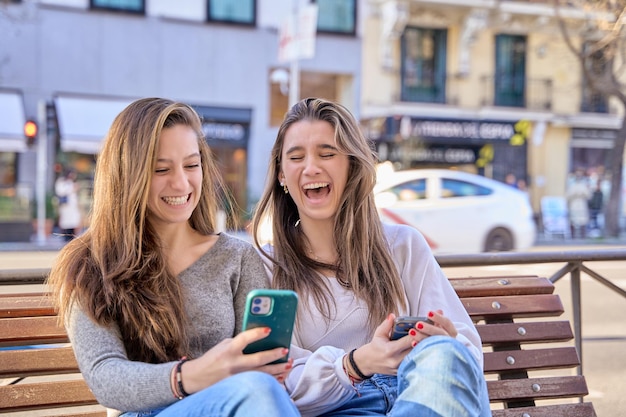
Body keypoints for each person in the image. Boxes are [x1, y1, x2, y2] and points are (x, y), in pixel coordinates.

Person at [46, 98, 299, 417]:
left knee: (262, 389)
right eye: (161, 169)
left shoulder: (237, 257)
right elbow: (104, 376)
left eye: (192, 165)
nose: (181, 183)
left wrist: (266, 366)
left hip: (233, 403)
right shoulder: (90, 261)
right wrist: (193, 375)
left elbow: (253, 367)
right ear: (127, 175)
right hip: (147, 413)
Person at [251, 97, 490, 416]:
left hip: (419, 393)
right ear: (281, 175)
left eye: (327, 153)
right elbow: (275, 382)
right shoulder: (267, 266)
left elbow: (467, 357)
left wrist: (445, 343)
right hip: (343, 409)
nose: (311, 168)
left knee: (446, 353)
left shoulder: (403, 245)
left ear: (351, 165)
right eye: (296, 157)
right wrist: (356, 364)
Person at [54, 168, 82, 241]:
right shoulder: (62, 182)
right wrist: (71, 189)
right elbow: (60, 192)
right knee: (65, 222)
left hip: (72, 206)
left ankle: (71, 236)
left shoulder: (71, 182)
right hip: (65, 206)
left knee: (73, 221)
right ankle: (66, 236)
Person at [566, 169, 591, 239]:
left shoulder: (584, 185)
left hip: (582, 205)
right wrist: (574, 194)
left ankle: (583, 235)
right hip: (574, 205)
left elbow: (588, 195)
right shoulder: (572, 185)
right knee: (573, 220)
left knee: (583, 221)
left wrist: (582, 194)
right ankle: (572, 235)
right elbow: (568, 196)